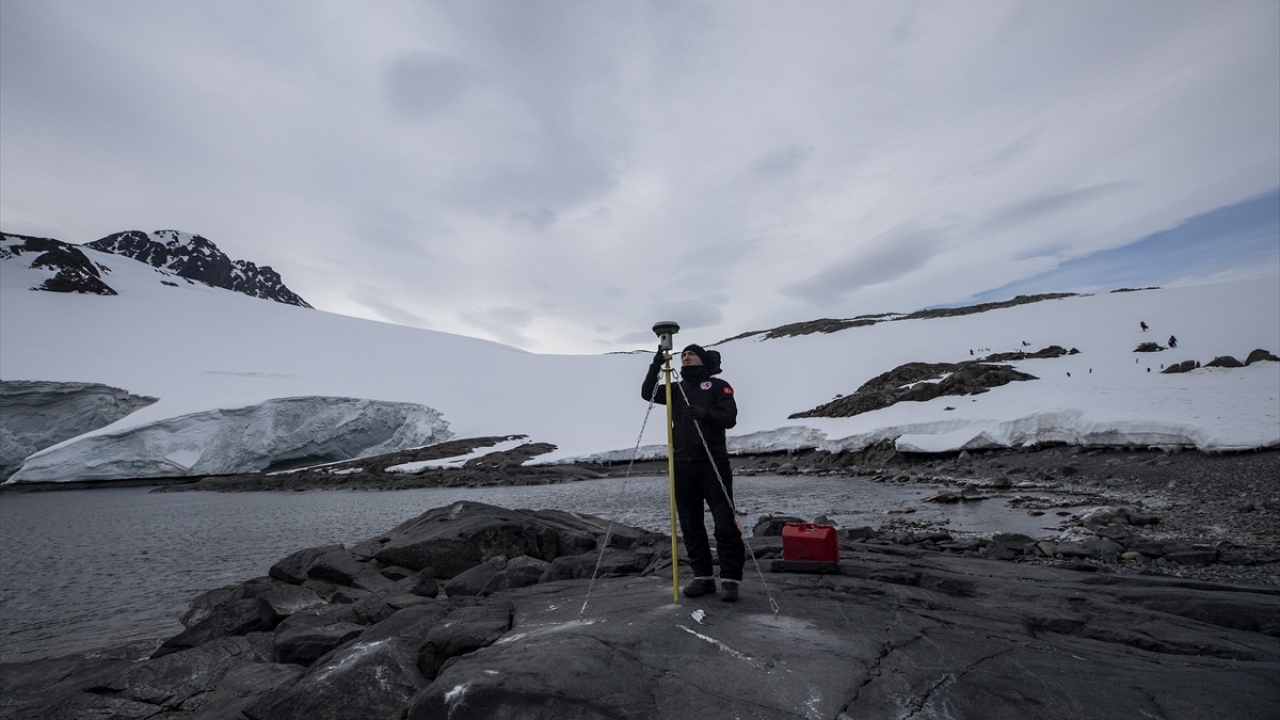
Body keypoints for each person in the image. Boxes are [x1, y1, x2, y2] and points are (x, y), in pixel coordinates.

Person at [641, 344, 745, 602]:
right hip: (682, 465)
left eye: (691, 354)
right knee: (690, 525)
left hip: (712, 463)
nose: (686, 357)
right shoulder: (676, 389)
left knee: (724, 523)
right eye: (684, 355)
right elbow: (647, 393)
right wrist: (656, 364)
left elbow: (730, 418)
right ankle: (703, 578)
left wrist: (705, 414)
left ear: (703, 360)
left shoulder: (719, 386)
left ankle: (730, 580)